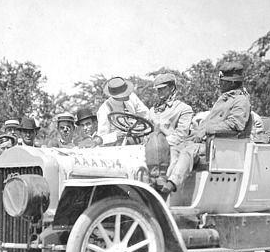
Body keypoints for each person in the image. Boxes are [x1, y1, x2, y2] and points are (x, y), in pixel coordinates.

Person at [162, 61, 251, 193]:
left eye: (223, 81)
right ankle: (165, 180)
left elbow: (236, 125)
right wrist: (197, 132)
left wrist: (205, 131)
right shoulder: (223, 99)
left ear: (232, 83)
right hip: (209, 141)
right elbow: (210, 121)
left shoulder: (241, 101)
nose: (219, 83)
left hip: (221, 144)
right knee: (174, 148)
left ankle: (173, 183)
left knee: (189, 150)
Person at [97, 77, 149, 145]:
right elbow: (101, 139)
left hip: (139, 139)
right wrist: (116, 135)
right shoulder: (104, 110)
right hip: (119, 147)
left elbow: (146, 114)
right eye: (125, 93)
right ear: (116, 96)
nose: (129, 94)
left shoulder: (132, 97)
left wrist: (140, 125)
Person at [148, 73, 194, 147]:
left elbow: (181, 136)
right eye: (158, 89)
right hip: (151, 147)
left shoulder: (183, 109)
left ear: (172, 88)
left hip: (172, 148)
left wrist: (158, 143)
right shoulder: (152, 110)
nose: (160, 91)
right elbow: (148, 131)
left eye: (163, 88)